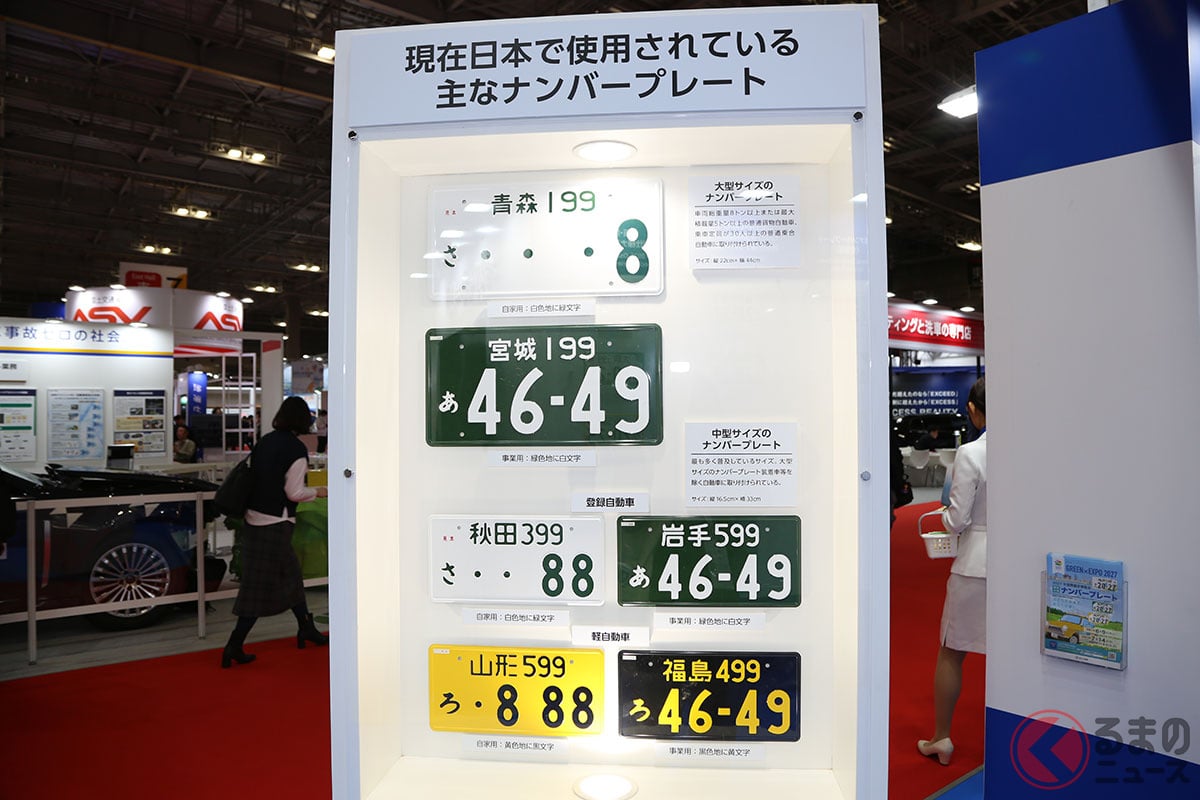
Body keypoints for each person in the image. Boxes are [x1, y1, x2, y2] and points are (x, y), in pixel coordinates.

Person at [221, 396, 329, 668]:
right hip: (276, 524)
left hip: (255, 519)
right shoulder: (296, 449)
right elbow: (294, 493)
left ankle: (306, 627)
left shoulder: (266, 441)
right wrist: (320, 491)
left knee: (291, 576)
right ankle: (234, 644)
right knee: (258, 588)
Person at [918, 377, 986, 765]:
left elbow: (957, 520)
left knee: (951, 653)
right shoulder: (1030, 449)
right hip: (1020, 563)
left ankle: (941, 738)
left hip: (975, 563)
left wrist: (945, 515)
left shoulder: (971, 453)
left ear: (974, 410)